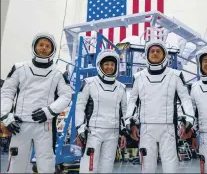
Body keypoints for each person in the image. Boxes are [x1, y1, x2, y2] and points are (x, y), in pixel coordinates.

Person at [0, 32, 72, 173]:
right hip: (20, 124)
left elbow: (66, 96)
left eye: (47, 46)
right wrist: (6, 116)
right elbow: (7, 92)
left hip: (45, 125)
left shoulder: (58, 72)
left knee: (46, 164)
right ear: (34, 46)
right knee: (16, 163)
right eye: (41, 45)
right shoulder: (19, 68)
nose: (44, 48)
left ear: (52, 50)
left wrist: (48, 111)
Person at [125, 40, 195, 173]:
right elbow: (132, 102)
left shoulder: (176, 75)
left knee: (171, 168)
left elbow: (185, 99)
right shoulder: (138, 77)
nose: (155, 53)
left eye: (158, 51)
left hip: (168, 129)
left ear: (165, 55)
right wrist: (130, 122)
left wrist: (188, 121)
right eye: (152, 51)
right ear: (147, 54)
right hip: (146, 129)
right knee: (147, 168)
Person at [75, 49, 127, 173]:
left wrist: (124, 132)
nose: (109, 67)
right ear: (100, 65)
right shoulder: (89, 83)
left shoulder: (121, 87)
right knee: (89, 168)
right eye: (106, 64)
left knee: (106, 168)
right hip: (93, 133)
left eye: (112, 64)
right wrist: (80, 128)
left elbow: (125, 111)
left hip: (113, 134)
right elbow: (80, 106)